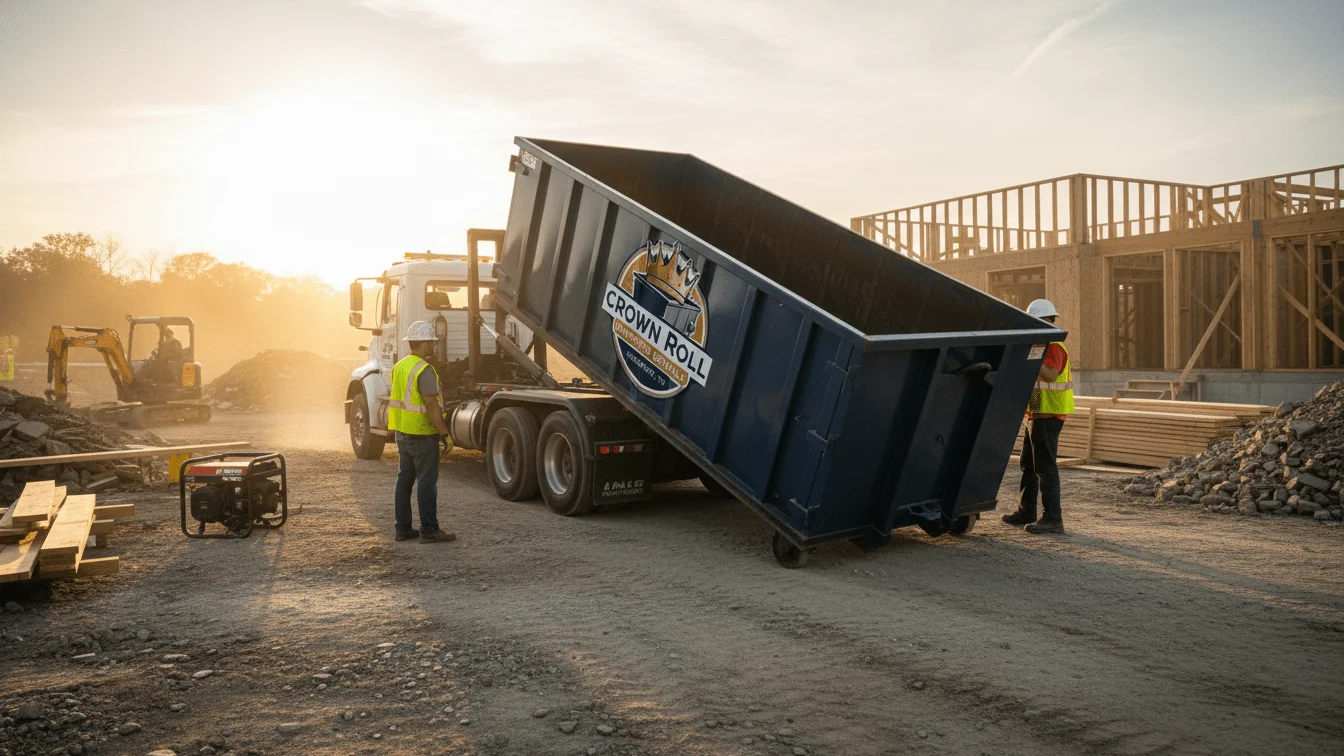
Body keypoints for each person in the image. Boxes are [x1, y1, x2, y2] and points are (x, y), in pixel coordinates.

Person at [1003, 299, 1074, 534]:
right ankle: (1027, 510)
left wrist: (1028, 355)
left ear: (1043, 322)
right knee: (1029, 464)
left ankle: (1053, 518)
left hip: (1049, 415)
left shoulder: (1053, 345)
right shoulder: (1040, 345)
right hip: (1036, 413)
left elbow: (1051, 375)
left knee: (1045, 467)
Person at [388, 320, 456, 544]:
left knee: (404, 481)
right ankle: (429, 530)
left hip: (402, 433)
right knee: (427, 483)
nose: (434, 347)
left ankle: (403, 529)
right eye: (431, 343)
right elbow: (431, 404)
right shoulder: (424, 370)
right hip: (422, 435)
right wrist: (444, 433)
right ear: (424, 344)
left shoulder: (400, 366)